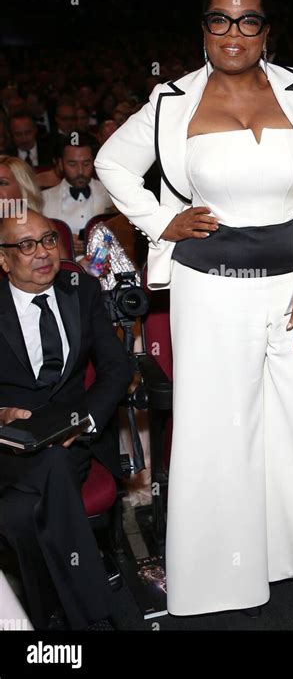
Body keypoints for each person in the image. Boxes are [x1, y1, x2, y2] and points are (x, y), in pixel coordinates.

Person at [95, 0, 293, 616]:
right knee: (221, 427)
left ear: (267, 31)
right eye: (219, 19)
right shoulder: (172, 99)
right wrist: (159, 221)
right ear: (204, 28)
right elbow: (111, 161)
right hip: (210, 291)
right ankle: (222, 579)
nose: (232, 31)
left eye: (247, 20)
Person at [0, 210, 132, 629]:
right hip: (7, 447)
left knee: (20, 513)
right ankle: (95, 615)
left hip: (71, 441)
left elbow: (117, 368)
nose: (41, 253)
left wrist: (84, 421)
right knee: (47, 472)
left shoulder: (82, 290)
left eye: (48, 241)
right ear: (3, 260)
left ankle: (48, 620)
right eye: (25, 245)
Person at [42, 134, 115, 256]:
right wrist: (64, 245)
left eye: (86, 163)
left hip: (103, 268)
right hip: (62, 270)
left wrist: (93, 245)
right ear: (60, 164)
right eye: (72, 164)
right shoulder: (43, 200)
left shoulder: (111, 195)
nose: (80, 171)